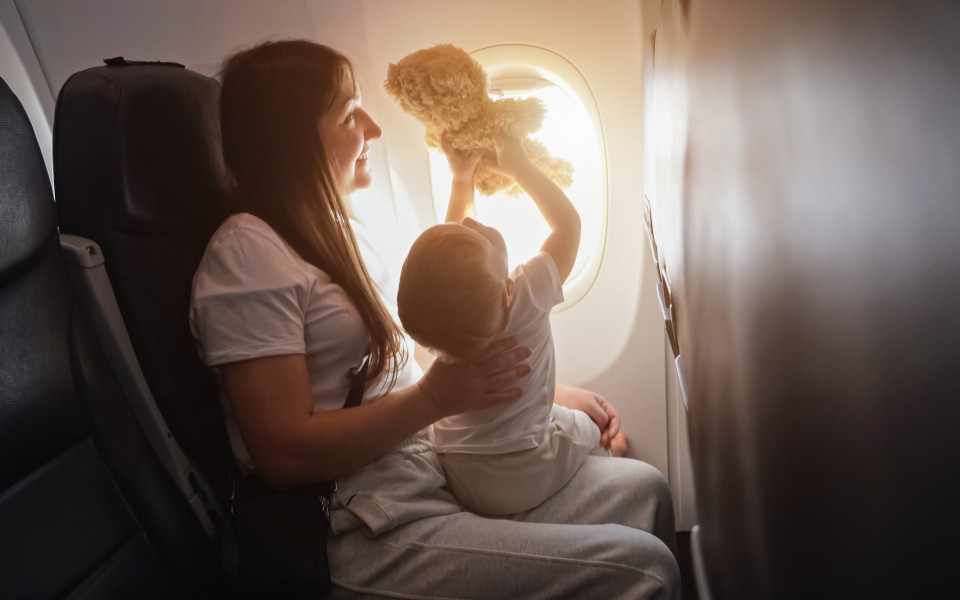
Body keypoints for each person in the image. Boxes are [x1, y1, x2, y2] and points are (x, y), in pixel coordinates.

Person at [190, 39, 679, 599]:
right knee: (645, 570)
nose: (373, 128)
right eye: (350, 115)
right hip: (361, 521)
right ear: (293, 142)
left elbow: (420, 356)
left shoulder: (335, 231)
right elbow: (284, 452)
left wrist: (538, 391)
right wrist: (435, 401)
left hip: (426, 465)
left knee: (647, 491)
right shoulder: (247, 253)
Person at [397, 135, 628, 516]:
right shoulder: (527, 292)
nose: (470, 220)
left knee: (529, 420)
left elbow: (455, 260)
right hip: (524, 472)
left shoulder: (451, 322)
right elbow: (568, 224)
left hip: (457, 471)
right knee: (588, 427)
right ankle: (610, 450)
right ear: (506, 289)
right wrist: (520, 167)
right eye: (476, 234)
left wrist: (460, 180)